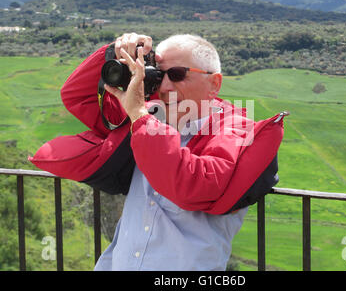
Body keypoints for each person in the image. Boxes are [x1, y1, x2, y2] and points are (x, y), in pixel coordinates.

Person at [31, 32, 285, 271]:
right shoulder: (151, 114)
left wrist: (140, 116)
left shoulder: (236, 130)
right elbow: (78, 96)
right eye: (156, 74)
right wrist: (114, 52)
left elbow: (193, 185)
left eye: (176, 74)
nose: (164, 86)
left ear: (214, 83)